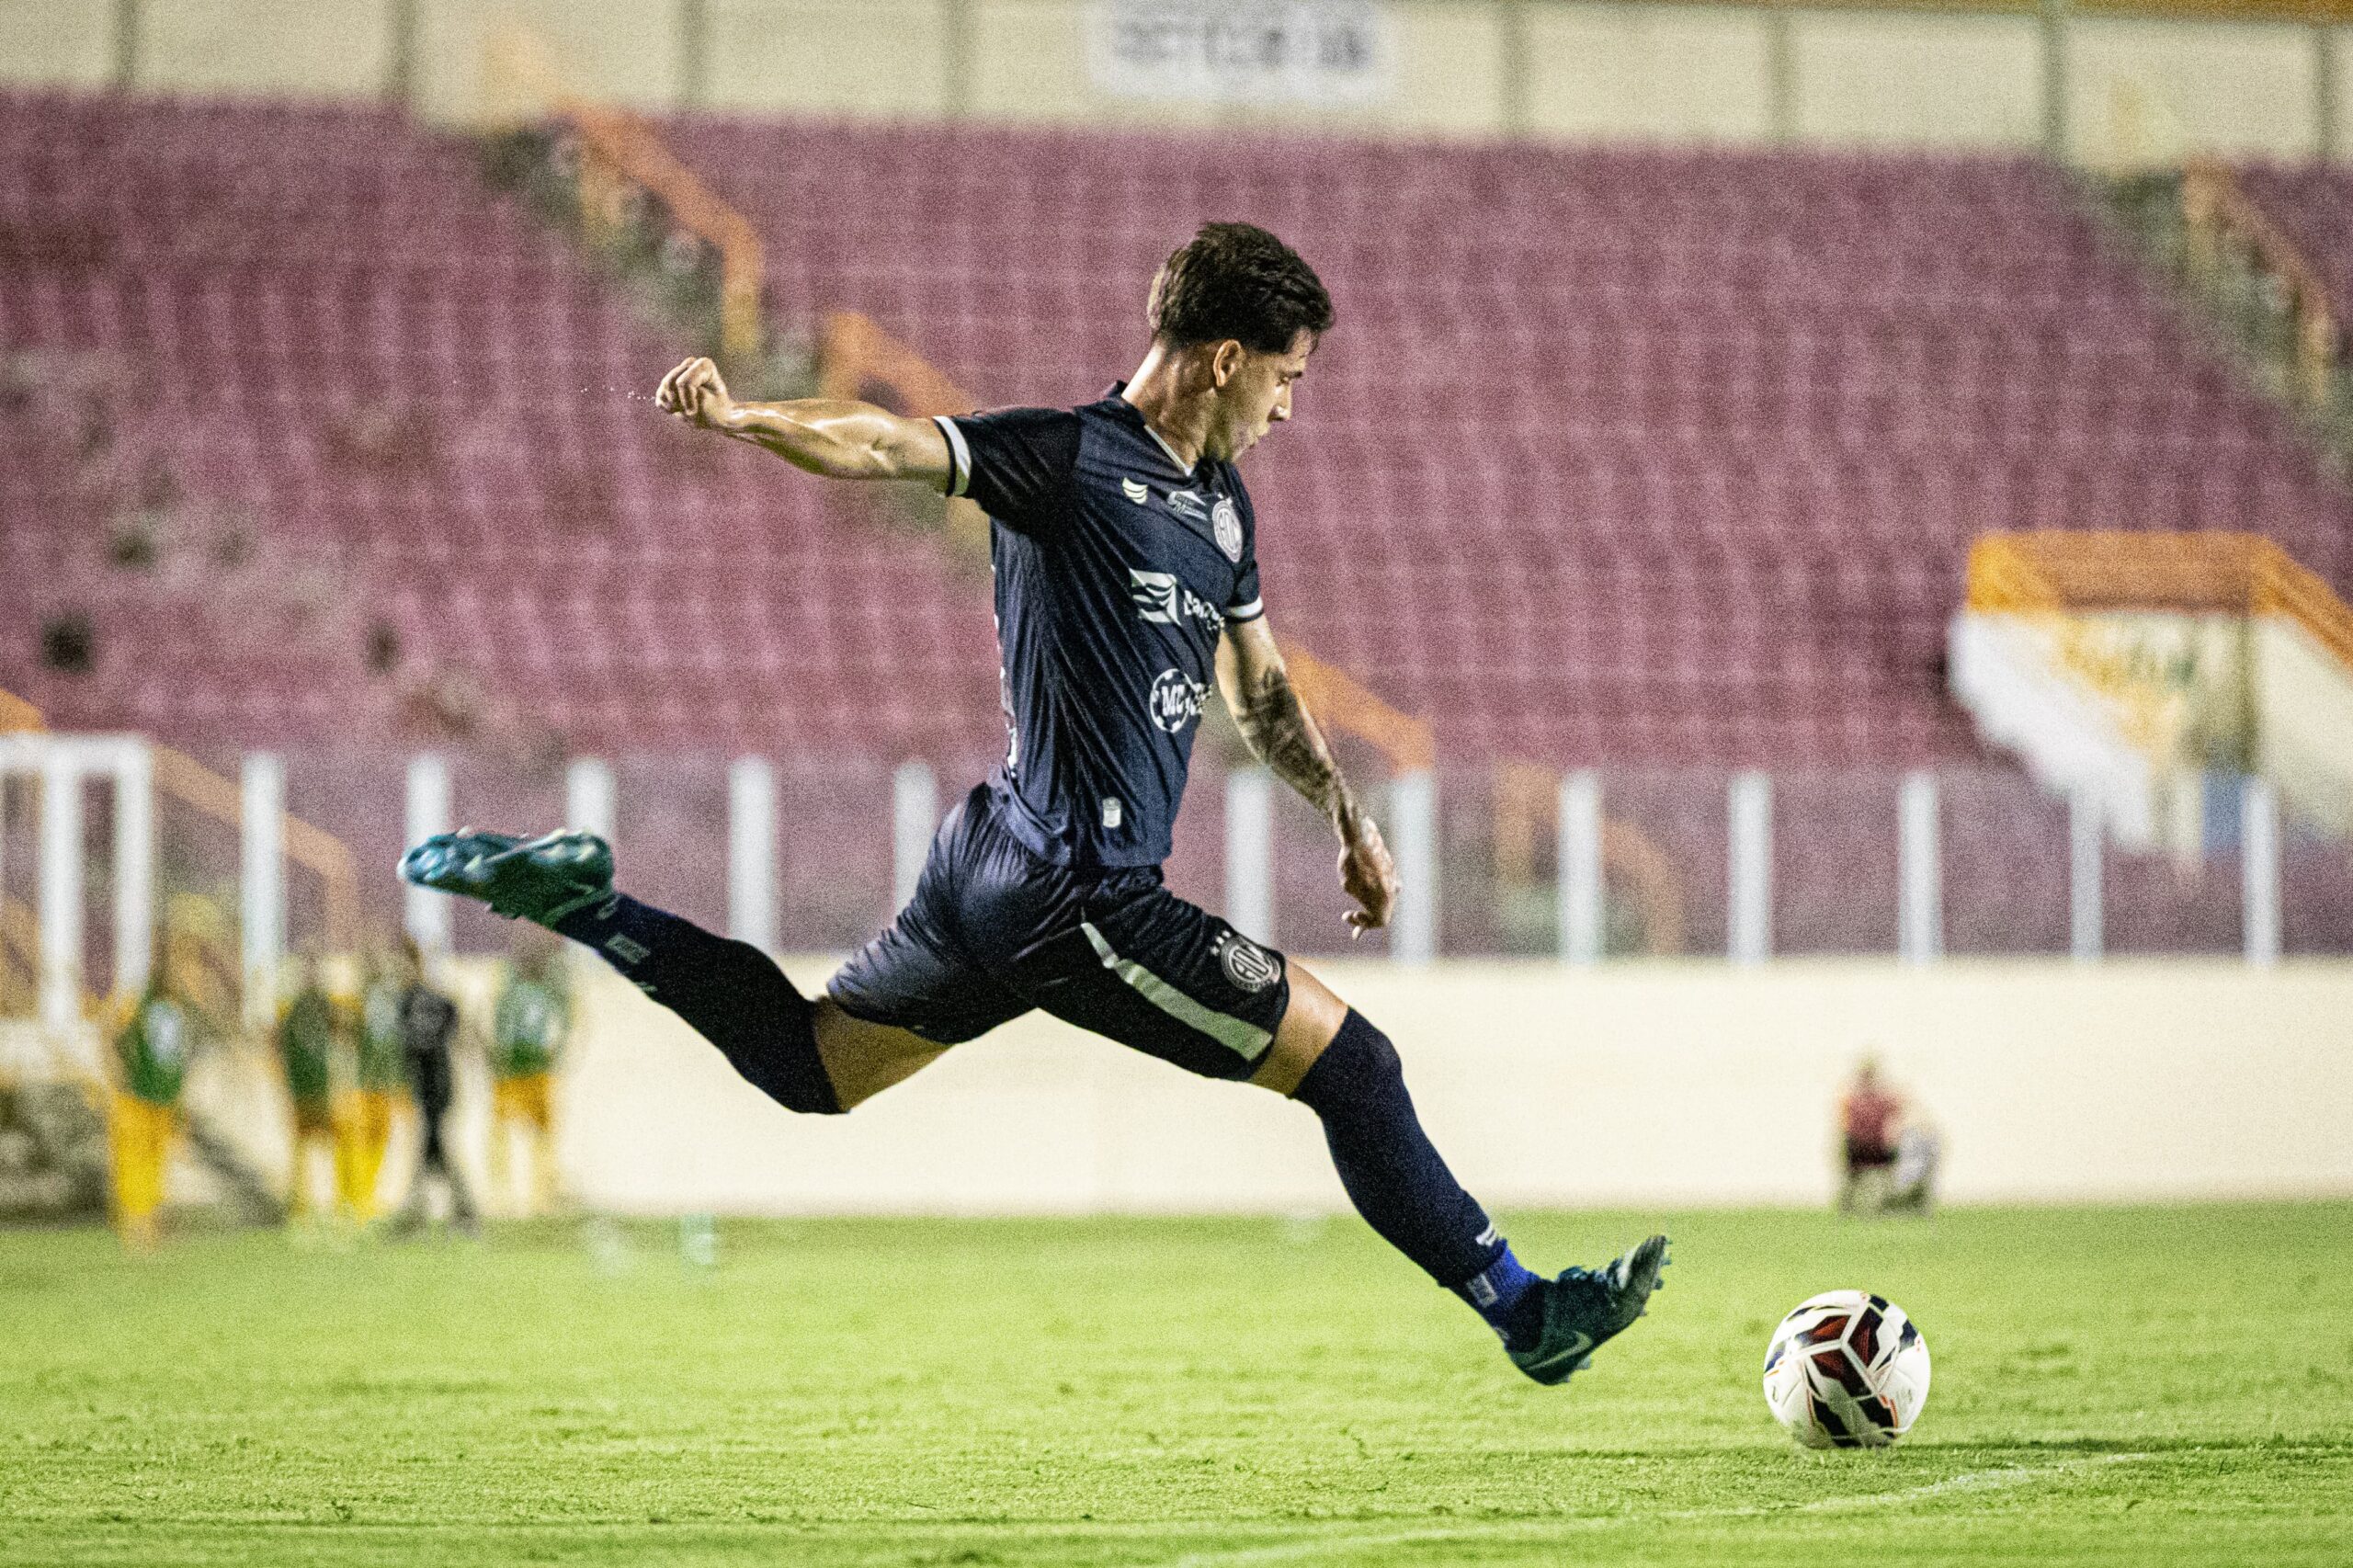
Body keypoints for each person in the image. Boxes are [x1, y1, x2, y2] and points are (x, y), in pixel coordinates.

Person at [405, 222, 1665, 1381]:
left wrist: (1344, 816)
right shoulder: (1067, 458)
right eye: (1289, 375)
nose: (1291, 405)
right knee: (1357, 1066)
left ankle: (587, 902)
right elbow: (890, 442)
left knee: (811, 1067)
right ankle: (1525, 1313)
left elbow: (1264, 692)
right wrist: (745, 420)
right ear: (1227, 358)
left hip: (998, 864)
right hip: (1081, 890)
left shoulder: (1221, 508)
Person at [107, 944, 197, 1250]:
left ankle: (141, 1223)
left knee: (144, 1162)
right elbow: (117, 1041)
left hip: (150, 1096)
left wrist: (119, 1074)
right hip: (146, 1097)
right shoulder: (165, 1011)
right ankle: (139, 1222)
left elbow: (114, 1040)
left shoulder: (145, 1007)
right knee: (144, 1161)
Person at [386, 937, 476, 1236]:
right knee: (434, 1153)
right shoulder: (406, 1002)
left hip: (437, 1088)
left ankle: (428, 1219)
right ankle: (454, 1217)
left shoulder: (428, 1002)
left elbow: (454, 1035)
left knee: (436, 1151)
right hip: (422, 1089)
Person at [488, 934, 569, 1217]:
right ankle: (517, 1196)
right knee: (515, 1136)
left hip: (525, 1072)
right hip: (523, 1071)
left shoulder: (523, 993)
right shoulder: (533, 993)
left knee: (529, 1137)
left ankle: (532, 1196)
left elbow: (501, 1032)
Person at [338, 938, 405, 1222]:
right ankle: (355, 1199)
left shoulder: (391, 998)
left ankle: (368, 1197)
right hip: (361, 1083)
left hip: (383, 1083)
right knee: (358, 1142)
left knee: (379, 1141)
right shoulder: (357, 1000)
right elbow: (348, 1037)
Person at [276, 952, 342, 1224]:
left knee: (327, 1147)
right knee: (303, 1149)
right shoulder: (296, 1007)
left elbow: (339, 1031)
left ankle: (331, 1204)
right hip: (302, 1087)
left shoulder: (324, 1004)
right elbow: (280, 1041)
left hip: (322, 1086)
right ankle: (302, 1207)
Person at [1838, 1055, 1938, 1216]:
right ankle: (1868, 1204)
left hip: (1868, 1151)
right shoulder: (1872, 1099)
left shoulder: (1860, 1099)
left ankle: (1876, 1203)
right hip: (1869, 1152)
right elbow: (1903, 1103)